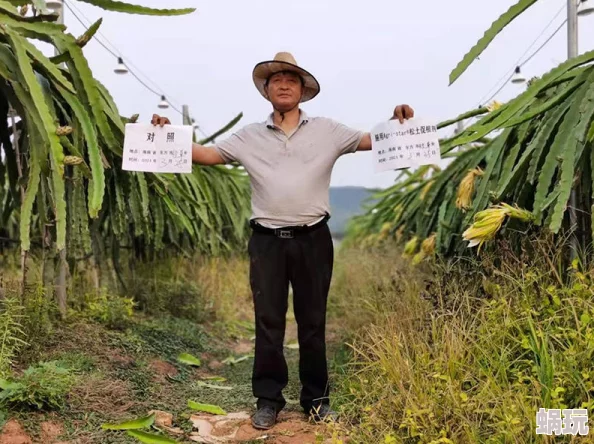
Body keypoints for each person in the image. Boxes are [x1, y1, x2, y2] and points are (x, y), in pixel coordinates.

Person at [152, 51, 414, 430]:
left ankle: (317, 400)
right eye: (276, 80)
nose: (284, 84)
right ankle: (268, 400)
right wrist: (163, 135)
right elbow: (207, 155)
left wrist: (399, 120)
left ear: (303, 89)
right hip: (267, 242)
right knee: (268, 321)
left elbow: (373, 140)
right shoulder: (249, 137)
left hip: (313, 239)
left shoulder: (328, 130)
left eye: (292, 79)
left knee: (312, 321)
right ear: (267, 90)